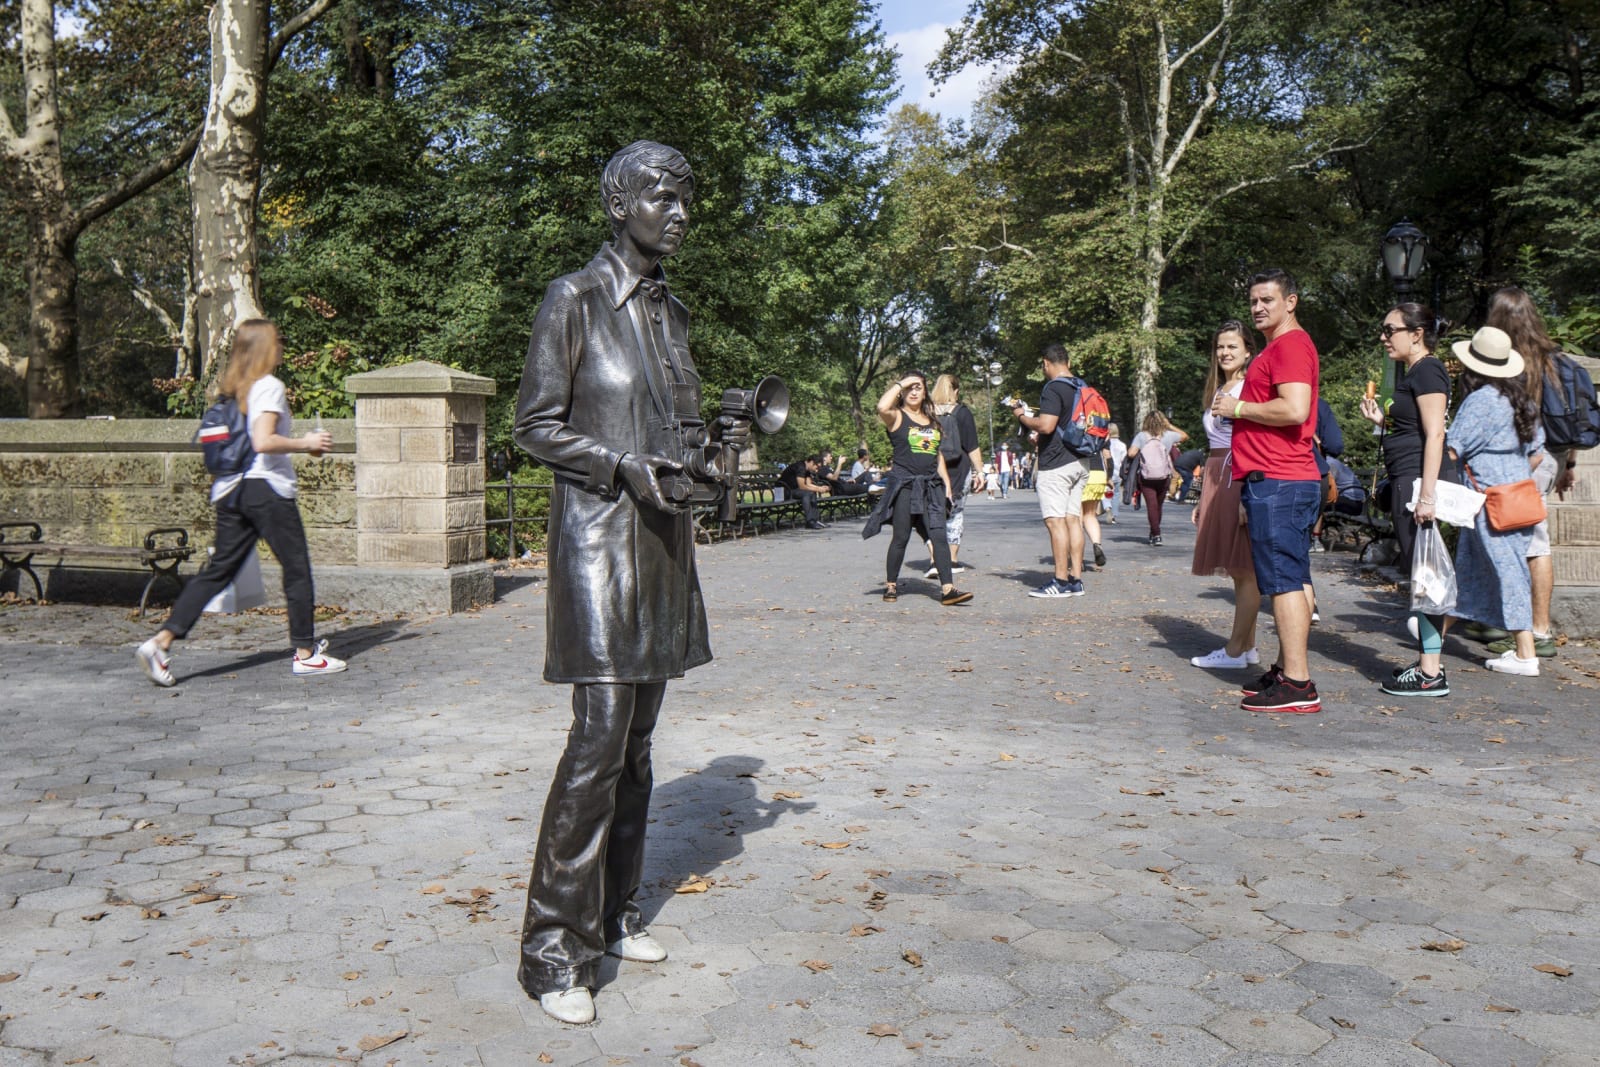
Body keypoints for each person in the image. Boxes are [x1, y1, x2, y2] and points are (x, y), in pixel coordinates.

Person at [511, 141, 743, 1025]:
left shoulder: (672, 312)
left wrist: (707, 466)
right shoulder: (573, 298)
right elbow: (535, 425)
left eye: (686, 198)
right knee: (600, 738)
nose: (678, 211)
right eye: (660, 196)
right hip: (599, 544)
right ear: (618, 204)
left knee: (639, 739)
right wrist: (616, 464)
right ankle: (549, 953)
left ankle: (611, 915)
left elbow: (678, 431)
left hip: (662, 546)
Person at [135, 320, 344, 687]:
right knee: (296, 568)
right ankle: (306, 656)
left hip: (231, 492)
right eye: (278, 341)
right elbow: (263, 442)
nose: (282, 346)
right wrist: (306, 443)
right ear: (265, 347)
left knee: (218, 571)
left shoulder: (233, 391)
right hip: (267, 490)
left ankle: (160, 642)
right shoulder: (270, 387)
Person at [1216, 268, 1322, 714]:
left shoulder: (1292, 345)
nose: (1258, 308)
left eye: (1268, 300)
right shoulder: (1281, 346)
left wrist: (1238, 406)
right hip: (1277, 480)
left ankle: (1298, 683)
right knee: (1289, 578)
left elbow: (1295, 409)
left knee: (1282, 583)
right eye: (1254, 300)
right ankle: (1286, 668)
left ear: (1291, 301)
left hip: (1281, 480)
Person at [1356, 304, 1450, 694]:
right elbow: (1412, 425)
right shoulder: (1413, 372)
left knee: (1425, 574)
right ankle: (1428, 665)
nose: (1383, 336)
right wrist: (1382, 420)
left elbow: (1436, 435)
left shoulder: (1428, 369)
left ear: (1417, 333)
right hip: (1406, 480)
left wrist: (1426, 497)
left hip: (1415, 484)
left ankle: (1431, 673)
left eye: (1389, 329)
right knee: (1418, 570)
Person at [1446, 325, 1546, 677]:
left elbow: (1452, 449)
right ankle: (1436, 629)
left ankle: (1525, 652)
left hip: (1490, 501)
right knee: (1474, 567)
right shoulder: (1522, 399)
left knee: (1506, 571)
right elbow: (1537, 453)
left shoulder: (1480, 400)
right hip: (1517, 496)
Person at [1482, 286, 1572, 659]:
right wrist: (1569, 465)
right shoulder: (1554, 360)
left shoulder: (1513, 362)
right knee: (1530, 541)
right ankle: (1518, 623)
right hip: (1554, 458)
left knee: (1531, 545)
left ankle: (1536, 632)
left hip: (1528, 461)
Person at [861, 371, 973, 606]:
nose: (914, 391)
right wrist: (902, 382)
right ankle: (891, 584)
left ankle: (948, 589)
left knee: (939, 536)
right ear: (902, 391)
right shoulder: (896, 416)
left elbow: (937, 454)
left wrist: (947, 486)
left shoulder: (932, 420)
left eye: (919, 387)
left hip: (931, 486)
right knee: (900, 537)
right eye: (910, 388)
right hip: (905, 486)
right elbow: (882, 406)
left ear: (925, 393)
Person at [1188, 320, 1261, 670]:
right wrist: (1204, 494)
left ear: (1248, 349)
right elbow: (1214, 444)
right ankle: (1247, 646)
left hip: (1238, 474)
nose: (1225, 352)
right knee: (1238, 569)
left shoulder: (1250, 387)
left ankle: (1234, 651)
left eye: (1232, 346)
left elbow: (1252, 441)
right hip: (1219, 474)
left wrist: (1247, 492)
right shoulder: (1221, 387)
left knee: (1244, 568)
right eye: (1220, 347)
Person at [1011, 344, 1095, 597]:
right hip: (1081, 460)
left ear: (1046, 363)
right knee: (1073, 521)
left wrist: (1022, 417)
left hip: (1057, 464)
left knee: (1055, 522)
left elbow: (1046, 426)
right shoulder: (1083, 387)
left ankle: (1059, 581)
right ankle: (1076, 580)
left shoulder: (1053, 387)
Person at [925, 374, 984, 577]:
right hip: (959, 470)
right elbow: (972, 446)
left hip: (932, 469)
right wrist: (980, 472)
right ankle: (951, 560)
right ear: (956, 391)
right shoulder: (962, 412)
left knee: (932, 514)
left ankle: (934, 560)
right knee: (955, 514)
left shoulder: (927, 412)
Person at [1125, 411, 1182, 545]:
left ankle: (1156, 534)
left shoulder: (1141, 436)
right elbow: (1185, 436)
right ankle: (1154, 533)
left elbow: (1131, 453)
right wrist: (1170, 426)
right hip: (1164, 476)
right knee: (1158, 505)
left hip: (1146, 476)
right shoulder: (1168, 436)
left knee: (1151, 505)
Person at [778, 454, 829, 529]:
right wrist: (818, 489)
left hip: (792, 490)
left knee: (812, 492)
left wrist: (820, 487)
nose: (816, 469)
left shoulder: (807, 468)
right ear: (811, 462)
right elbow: (802, 486)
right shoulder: (800, 467)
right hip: (782, 492)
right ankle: (809, 522)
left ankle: (815, 520)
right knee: (806, 494)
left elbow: (808, 484)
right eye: (816, 467)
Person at [1104, 424, 1126, 524]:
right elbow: (1123, 460)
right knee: (1116, 494)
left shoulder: (1104, 444)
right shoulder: (1122, 445)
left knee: (1105, 492)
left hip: (1107, 471)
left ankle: (1107, 507)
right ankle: (1114, 515)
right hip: (1117, 472)